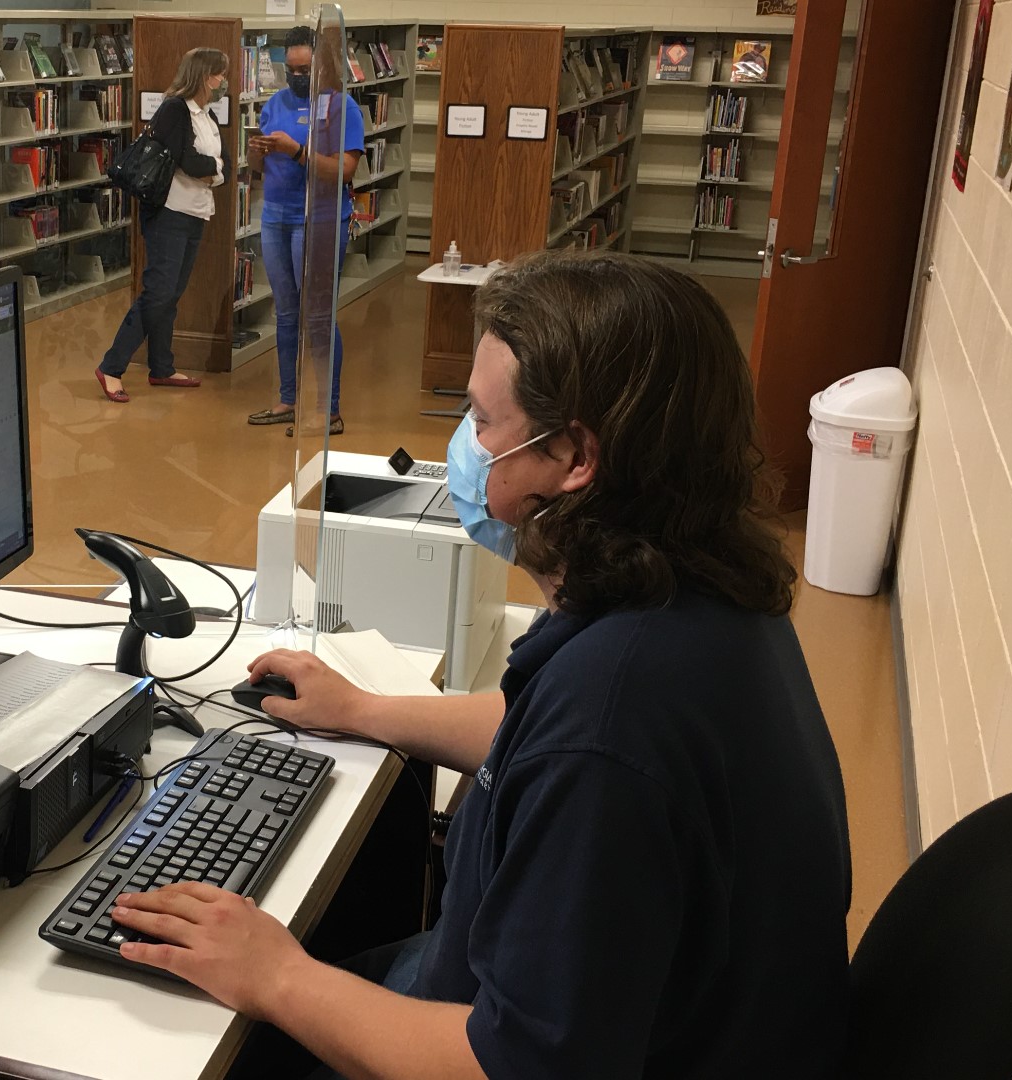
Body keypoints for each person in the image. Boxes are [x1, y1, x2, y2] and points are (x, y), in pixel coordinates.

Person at [109, 250, 853, 1079]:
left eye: (482, 420)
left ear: (575, 459)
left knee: (169, 1043)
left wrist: (278, 976)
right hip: (620, 1019)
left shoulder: (610, 724)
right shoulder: (703, 598)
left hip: (481, 1050)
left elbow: (514, 1068)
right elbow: (537, 734)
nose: (465, 445)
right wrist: (360, 711)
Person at [245, 26, 364, 437]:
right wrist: (255, 152)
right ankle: (288, 399)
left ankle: (327, 408)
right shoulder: (274, 104)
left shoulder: (341, 106)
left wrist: (295, 151)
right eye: (291, 68)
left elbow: (345, 170)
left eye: (305, 68)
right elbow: (257, 170)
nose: (297, 76)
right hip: (275, 217)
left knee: (317, 317)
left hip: (319, 218)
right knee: (286, 314)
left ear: (321, 66)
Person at [96, 48, 229, 403]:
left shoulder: (208, 116)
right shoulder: (175, 109)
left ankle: (162, 366)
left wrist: (211, 168)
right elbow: (186, 160)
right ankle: (111, 366)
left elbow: (224, 166)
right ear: (204, 76)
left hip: (198, 211)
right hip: (169, 212)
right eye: (219, 75)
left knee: (172, 293)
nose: (222, 82)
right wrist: (211, 167)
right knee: (158, 291)